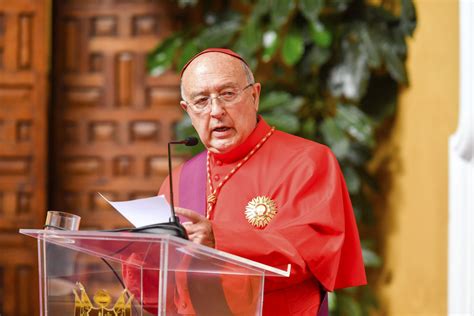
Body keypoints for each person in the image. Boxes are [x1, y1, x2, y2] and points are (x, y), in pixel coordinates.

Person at [123, 48, 366, 315]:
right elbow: (161, 298)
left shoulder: (308, 161)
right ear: (187, 111)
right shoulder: (179, 180)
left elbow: (309, 256)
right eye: (201, 100)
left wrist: (219, 239)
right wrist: (138, 257)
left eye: (227, 94)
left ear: (254, 95)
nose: (216, 111)